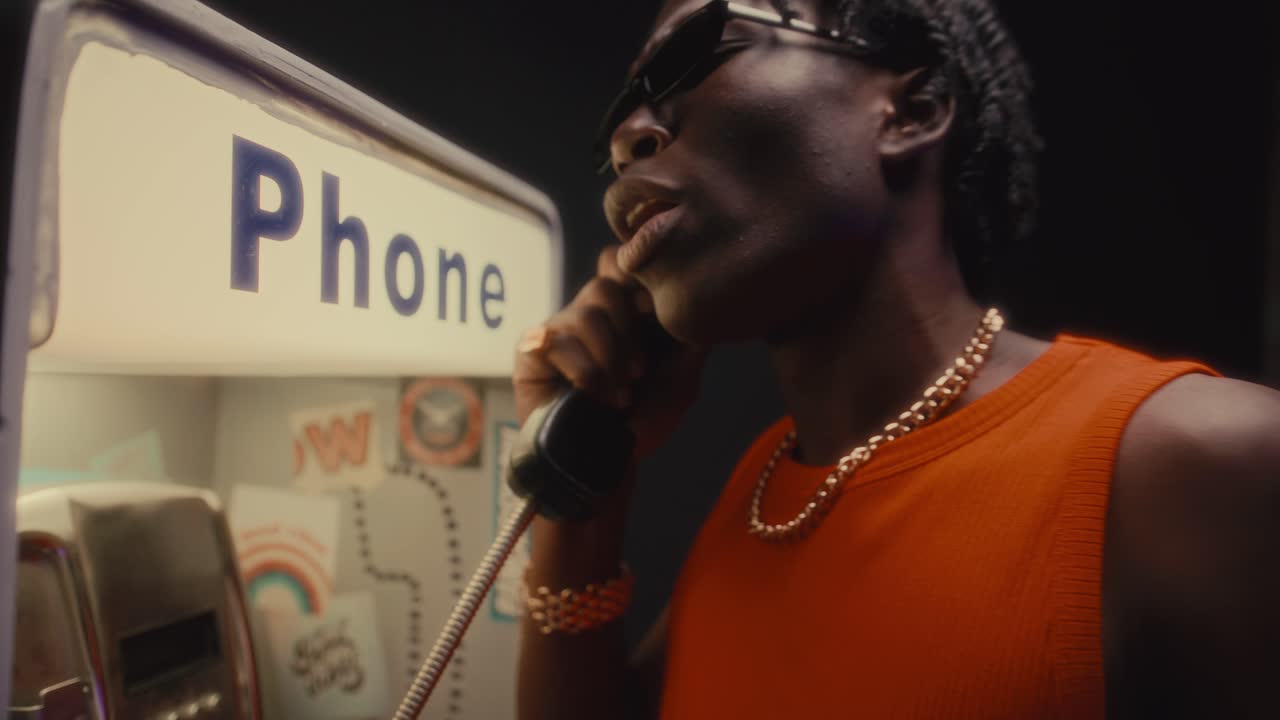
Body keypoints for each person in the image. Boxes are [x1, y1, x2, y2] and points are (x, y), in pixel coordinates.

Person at [511, 1, 1280, 717]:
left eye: (692, 57)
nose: (629, 134)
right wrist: (585, 500)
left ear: (912, 113)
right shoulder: (767, 494)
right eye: (622, 106)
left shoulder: (1196, 463)